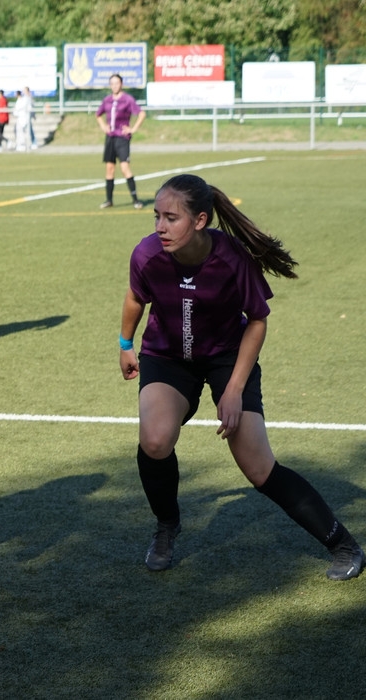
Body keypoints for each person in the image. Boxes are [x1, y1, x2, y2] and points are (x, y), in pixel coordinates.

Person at [119, 173, 363, 580]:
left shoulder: (231, 257)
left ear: (200, 220)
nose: (160, 226)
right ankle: (166, 525)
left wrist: (232, 390)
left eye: (171, 218)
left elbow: (258, 320)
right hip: (167, 357)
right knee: (155, 440)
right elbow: (135, 298)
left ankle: (344, 546)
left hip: (228, 360)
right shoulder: (146, 254)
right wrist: (125, 343)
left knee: (258, 466)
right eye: (157, 216)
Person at [96, 73, 145, 210]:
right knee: (109, 169)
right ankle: (109, 200)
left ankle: (136, 200)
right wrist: (103, 126)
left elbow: (141, 113)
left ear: (121, 84)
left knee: (124, 168)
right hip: (110, 138)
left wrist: (133, 129)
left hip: (122, 138)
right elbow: (98, 114)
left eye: (117, 83)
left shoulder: (127, 99)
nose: (114, 86)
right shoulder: (107, 100)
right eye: (112, 83)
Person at [12, 87, 36, 151]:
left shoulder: (27, 98)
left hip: (25, 117)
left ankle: (29, 144)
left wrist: (33, 115)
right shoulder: (22, 99)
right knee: (20, 132)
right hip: (21, 118)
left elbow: (29, 107)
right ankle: (22, 145)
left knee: (27, 132)